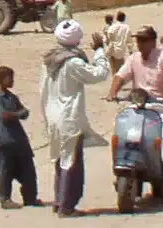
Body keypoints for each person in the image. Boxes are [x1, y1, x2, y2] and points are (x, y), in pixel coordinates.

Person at [107, 26, 163, 205]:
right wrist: (112, 92)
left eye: (143, 40)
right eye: (138, 41)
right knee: (121, 134)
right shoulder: (134, 58)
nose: (139, 44)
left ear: (152, 41)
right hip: (139, 104)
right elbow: (121, 76)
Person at [38, 20, 110, 217]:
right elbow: (99, 74)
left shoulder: (49, 61)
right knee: (71, 161)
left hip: (52, 116)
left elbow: (42, 91)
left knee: (60, 158)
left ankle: (59, 200)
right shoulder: (73, 63)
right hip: (68, 117)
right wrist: (100, 52)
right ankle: (67, 206)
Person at [0, 65, 39, 209]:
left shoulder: (12, 97)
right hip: (5, 140)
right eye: (9, 78)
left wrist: (18, 113)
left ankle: (30, 198)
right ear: (0, 80)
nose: (12, 80)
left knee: (28, 170)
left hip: (18, 139)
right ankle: (5, 199)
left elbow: (24, 112)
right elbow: (5, 116)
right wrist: (18, 114)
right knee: (5, 171)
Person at [105, 11, 132, 76]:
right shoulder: (126, 28)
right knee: (120, 72)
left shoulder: (112, 27)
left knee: (113, 70)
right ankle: (117, 85)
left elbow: (108, 38)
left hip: (110, 50)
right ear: (124, 18)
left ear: (117, 18)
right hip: (119, 51)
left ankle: (114, 84)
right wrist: (130, 51)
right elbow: (129, 41)